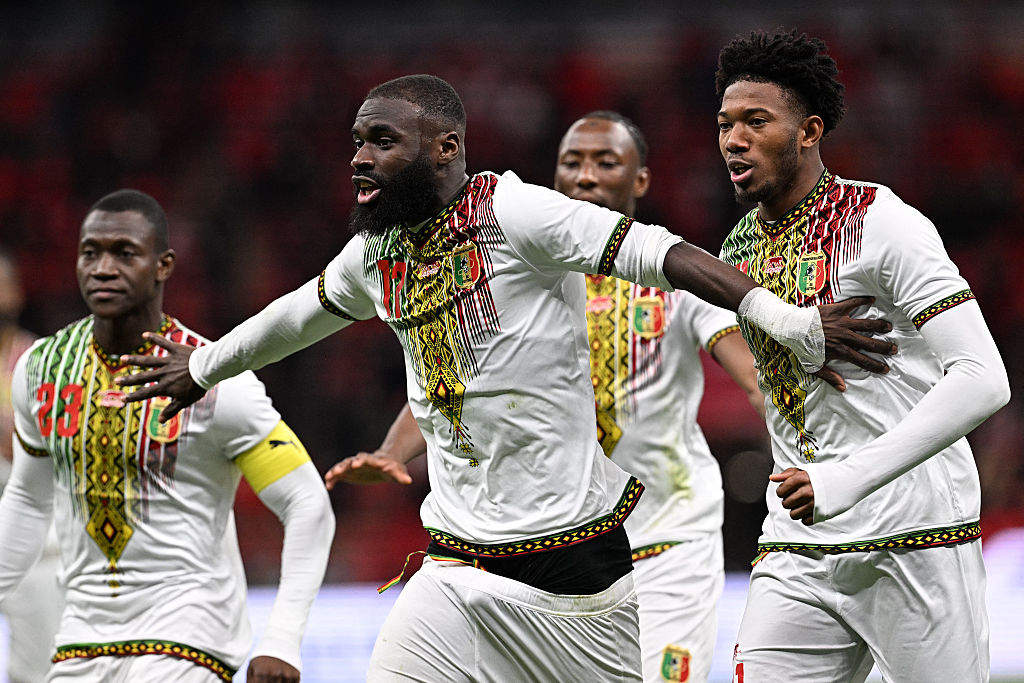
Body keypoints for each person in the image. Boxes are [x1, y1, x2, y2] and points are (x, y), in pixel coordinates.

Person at [116, 75, 894, 681]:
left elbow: (666, 254)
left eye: (382, 141)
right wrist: (203, 364)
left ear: (446, 148)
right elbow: (294, 316)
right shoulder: (376, 256)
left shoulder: (520, 215)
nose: (359, 158)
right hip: (457, 557)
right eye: (357, 142)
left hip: (576, 569)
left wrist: (788, 320)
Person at [326, 110, 766, 683]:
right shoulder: (524, 277)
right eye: (572, 163)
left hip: (669, 539)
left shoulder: (676, 280)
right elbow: (460, 385)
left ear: (641, 182)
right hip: (568, 549)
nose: (585, 176)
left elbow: (754, 378)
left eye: (606, 162)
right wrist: (391, 451)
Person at [714, 30, 1010, 682]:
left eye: (756, 121)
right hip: (798, 544)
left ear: (809, 130)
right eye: (725, 123)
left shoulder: (882, 222)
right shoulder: (737, 248)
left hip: (915, 534)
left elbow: (985, 379)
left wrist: (845, 479)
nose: (733, 139)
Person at [0, 190, 335, 682]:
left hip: (188, 639)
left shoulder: (216, 379)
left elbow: (307, 502)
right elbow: (29, 501)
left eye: (124, 253)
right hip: (80, 643)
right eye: (90, 253)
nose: (103, 268)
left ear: (164, 266)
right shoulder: (40, 369)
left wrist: (282, 638)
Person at [0, 250, 64, 683]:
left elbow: (53, 450)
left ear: (15, 294)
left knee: (37, 671)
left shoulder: (39, 361)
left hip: (33, 545)